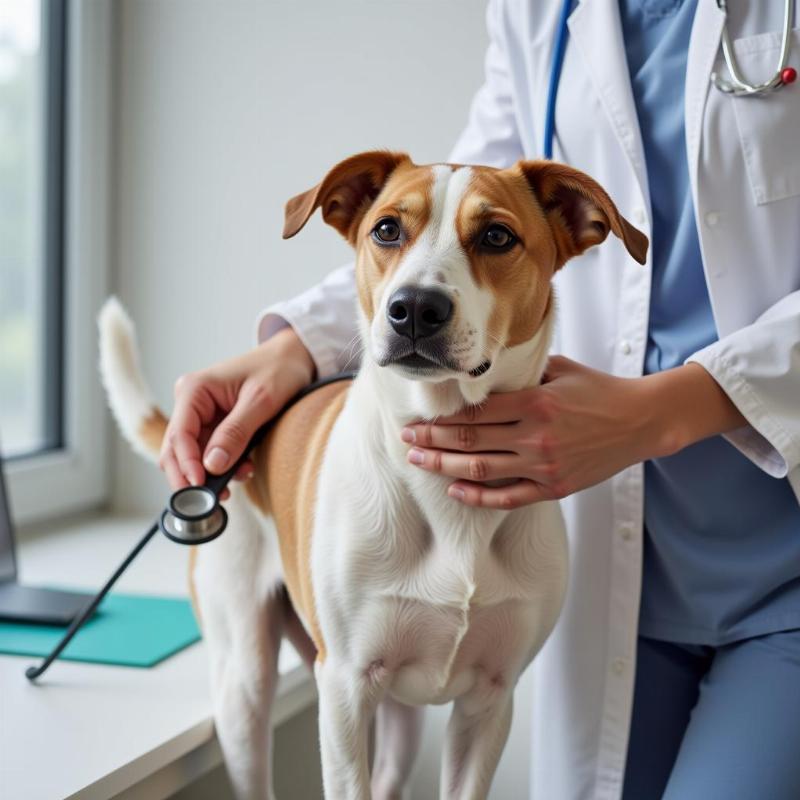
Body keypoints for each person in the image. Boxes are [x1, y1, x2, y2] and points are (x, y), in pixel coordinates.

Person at [158, 2, 800, 798]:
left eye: (495, 242)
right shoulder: (540, 12)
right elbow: (461, 191)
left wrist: (664, 409)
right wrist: (294, 345)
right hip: (616, 550)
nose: (419, 294)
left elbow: (476, 217)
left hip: (777, 554)